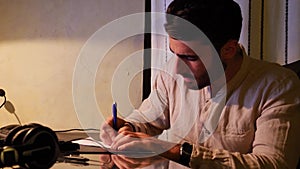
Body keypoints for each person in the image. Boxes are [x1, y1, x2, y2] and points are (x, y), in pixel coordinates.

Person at [100, 0, 300, 168]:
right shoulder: (172, 71)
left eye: (190, 57)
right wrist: (127, 128)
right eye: (174, 53)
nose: (177, 69)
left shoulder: (277, 87)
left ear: (229, 49)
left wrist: (176, 151)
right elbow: (149, 119)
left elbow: (273, 164)